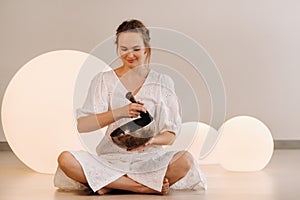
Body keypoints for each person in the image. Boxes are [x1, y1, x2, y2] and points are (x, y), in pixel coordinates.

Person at [54, 19, 207, 195]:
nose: (130, 54)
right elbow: (83, 125)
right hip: (110, 160)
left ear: (146, 49)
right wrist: (120, 112)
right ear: (117, 48)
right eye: (124, 49)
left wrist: (150, 141)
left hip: (150, 160)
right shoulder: (103, 80)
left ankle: (110, 184)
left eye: (136, 49)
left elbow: (170, 135)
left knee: (185, 160)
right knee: (65, 159)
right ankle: (140, 186)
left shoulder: (162, 83)